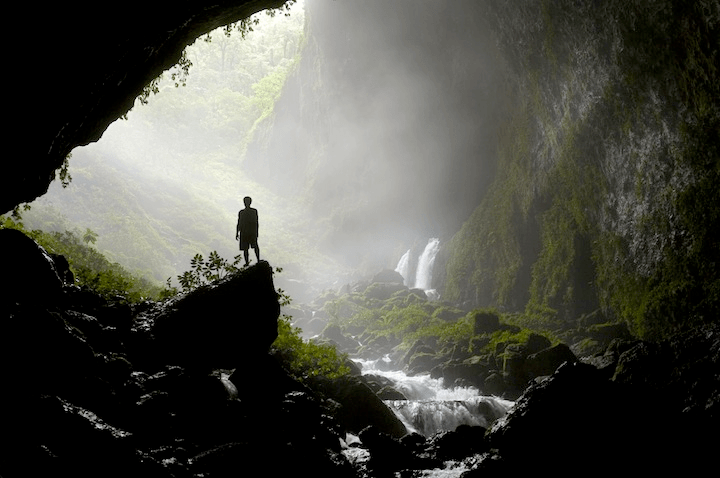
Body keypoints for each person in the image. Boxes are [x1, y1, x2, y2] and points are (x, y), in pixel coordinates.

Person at [236, 196, 260, 266]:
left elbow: (255, 222)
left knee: (251, 247)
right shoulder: (250, 212)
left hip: (247, 232)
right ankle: (249, 262)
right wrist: (237, 232)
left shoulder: (246, 212)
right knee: (247, 248)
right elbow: (239, 223)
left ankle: (255, 260)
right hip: (247, 232)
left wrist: (237, 232)